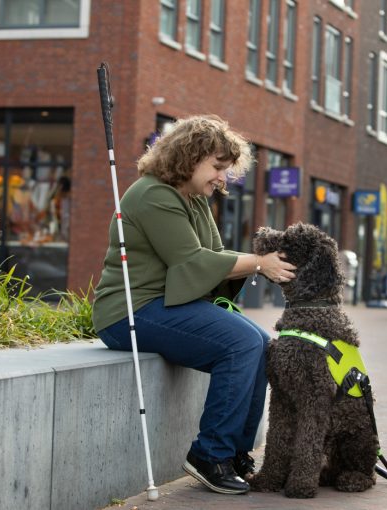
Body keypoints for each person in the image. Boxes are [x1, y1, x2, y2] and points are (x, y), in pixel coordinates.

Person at [92, 115, 297, 495]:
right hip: (131, 312)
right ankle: (209, 454)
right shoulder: (153, 195)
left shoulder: (192, 197)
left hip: (167, 305)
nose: (223, 178)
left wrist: (263, 263)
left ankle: (234, 451)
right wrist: (258, 263)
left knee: (262, 343)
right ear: (189, 157)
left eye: (226, 170)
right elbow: (192, 261)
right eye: (218, 167)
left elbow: (214, 254)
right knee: (242, 342)